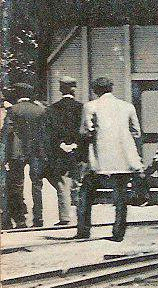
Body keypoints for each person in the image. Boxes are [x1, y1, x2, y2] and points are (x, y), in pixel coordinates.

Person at [77, 77, 143, 241]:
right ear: (111, 88)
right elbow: (137, 132)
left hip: (99, 158)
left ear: (95, 90)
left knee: (86, 193)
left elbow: (85, 132)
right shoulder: (127, 106)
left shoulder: (90, 106)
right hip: (122, 158)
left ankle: (84, 230)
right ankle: (118, 232)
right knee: (121, 196)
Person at [39, 76, 85, 224]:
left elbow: (48, 132)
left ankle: (65, 218)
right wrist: (76, 144)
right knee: (80, 183)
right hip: (78, 151)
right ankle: (82, 217)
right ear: (74, 89)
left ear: (60, 89)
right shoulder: (82, 107)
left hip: (60, 152)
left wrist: (61, 145)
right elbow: (84, 129)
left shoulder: (51, 109)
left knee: (63, 184)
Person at [2, 83, 45, 228]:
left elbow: (7, 131)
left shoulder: (13, 110)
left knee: (17, 185)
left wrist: (4, 152)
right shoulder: (40, 110)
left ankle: (20, 220)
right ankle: (38, 218)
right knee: (37, 184)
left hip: (17, 152)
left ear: (18, 94)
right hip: (36, 151)